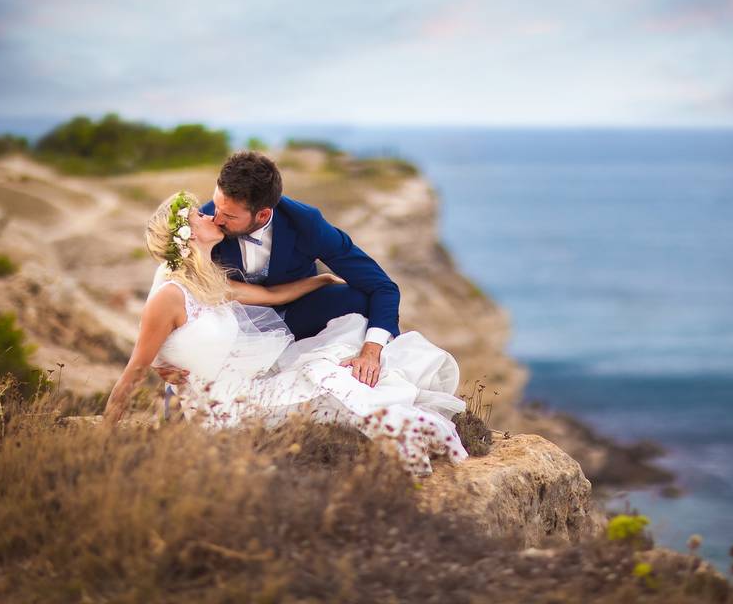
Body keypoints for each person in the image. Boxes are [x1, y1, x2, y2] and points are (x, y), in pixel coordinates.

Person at [104, 191, 469, 476]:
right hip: (221, 407)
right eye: (199, 216)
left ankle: (413, 426)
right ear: (186, 238)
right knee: (326, 392)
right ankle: (412, 431)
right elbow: (136, 367)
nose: (208, 213)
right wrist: (107, 432)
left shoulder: (208, 280)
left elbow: (270, 296)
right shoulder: (170, 293)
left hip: (246, 381)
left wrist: (323, 278)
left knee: (330, 374)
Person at [153, 150, 399, 389]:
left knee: (360, 298)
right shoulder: (202, 226)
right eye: (216, 205)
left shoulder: (307, 224)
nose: (216, 218)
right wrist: (163, 356)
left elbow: (382, 286)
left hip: (298, 315)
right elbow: (173, 283)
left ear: (262, 214)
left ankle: (380, 374)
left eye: (228, 215)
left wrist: (371, 351)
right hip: (232, 331)